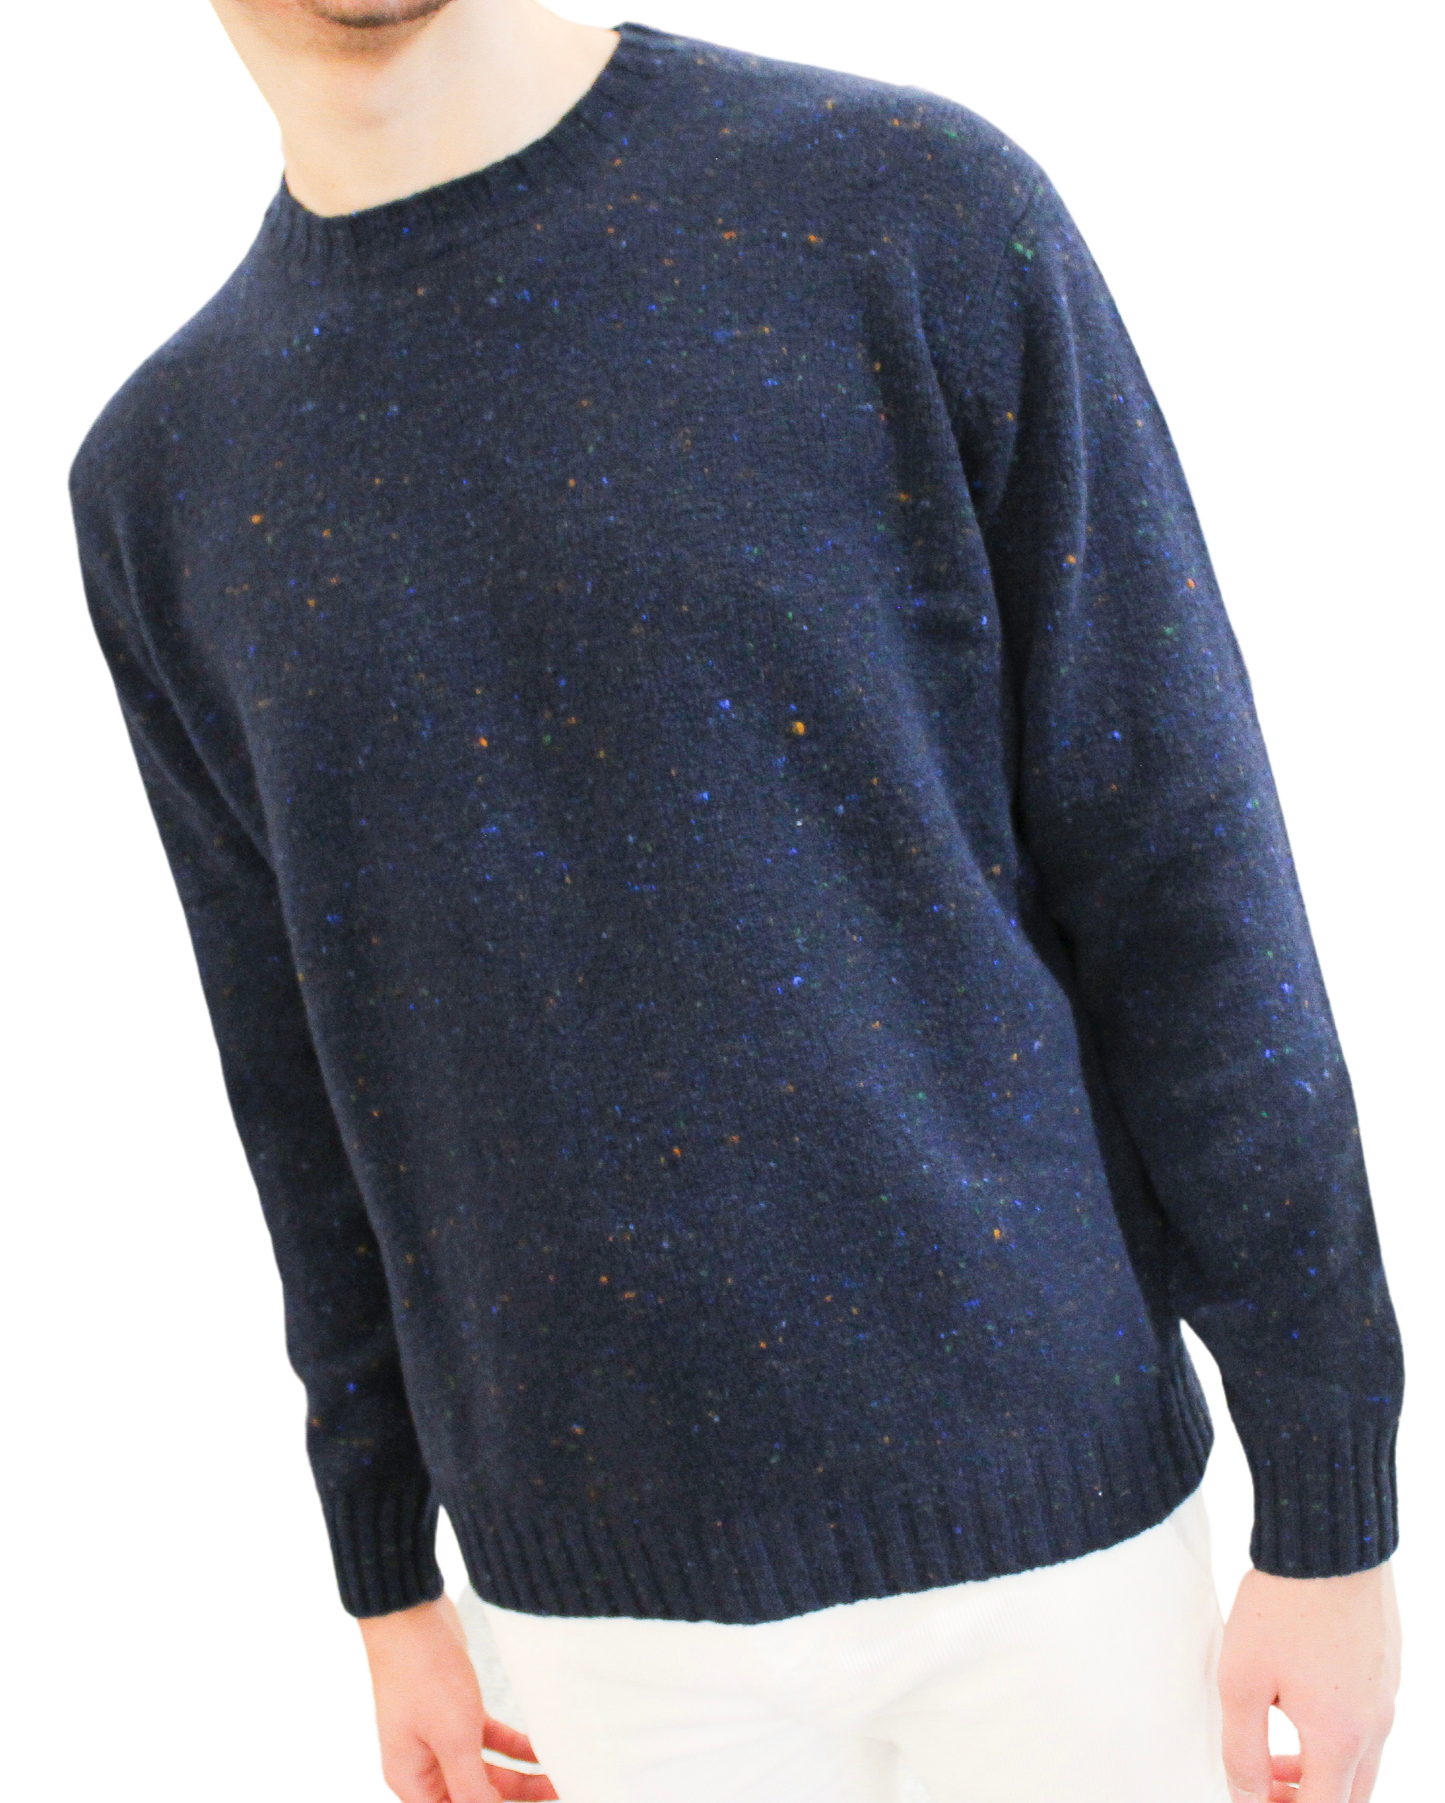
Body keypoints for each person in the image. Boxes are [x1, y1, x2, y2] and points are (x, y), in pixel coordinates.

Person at [65, 4, 1407, 1800]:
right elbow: (291, 1073)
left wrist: (1329, 1494)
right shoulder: (158, 475)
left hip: (1061, 1570)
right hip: (589, 1636)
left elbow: (1183, 858)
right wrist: (381, 1569)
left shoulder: (908, 205)